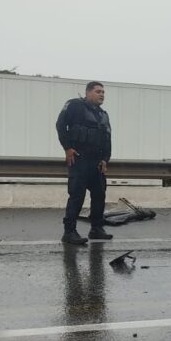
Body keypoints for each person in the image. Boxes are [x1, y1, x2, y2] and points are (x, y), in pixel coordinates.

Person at [56, 81, 113, 244]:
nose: (102, 94)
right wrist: (67, 148)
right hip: (79, 159)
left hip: (97, 162)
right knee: (77, 196)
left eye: (103, 92)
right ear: (87, 93)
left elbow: (108, 138)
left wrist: (105, 159)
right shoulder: (74, 105)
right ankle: (69, 232)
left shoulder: (103, 114)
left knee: (99, 196)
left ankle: (96, 229)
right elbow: (60, 125)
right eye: (98, 91)